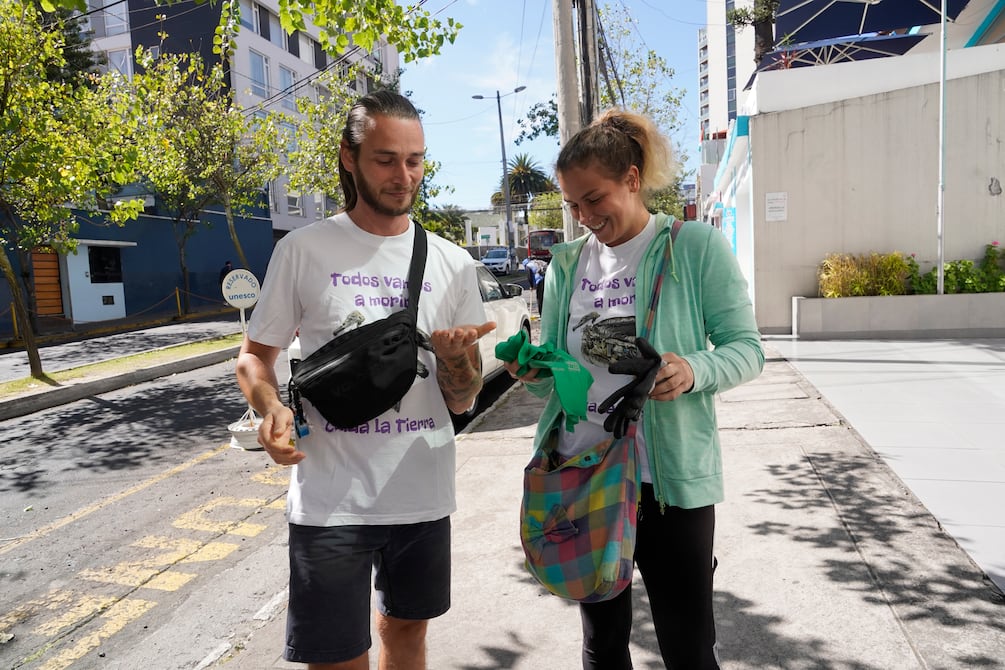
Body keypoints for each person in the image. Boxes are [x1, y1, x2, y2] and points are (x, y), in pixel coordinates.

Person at [236, 90, 494, 670]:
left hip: (421, 494)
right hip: (330, 501)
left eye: (415, 160)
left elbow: (465, 396)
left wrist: (457, 361)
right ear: (349, 158)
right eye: (385, 159)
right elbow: (253, 358)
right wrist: (268, 408)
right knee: (335, 659)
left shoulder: (451, 262)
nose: (403, 176)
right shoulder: (304, 249)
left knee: (406, 638)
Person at [502, 109, 764, 669]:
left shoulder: (693, 247)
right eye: (572, 204)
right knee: (601, 645)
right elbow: (556, 369)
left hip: (667, 485)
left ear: (633, 179)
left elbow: (748, 349)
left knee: (687, 646)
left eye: (594, 199)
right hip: (584, 471)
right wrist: (533, 371)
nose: (583, 216)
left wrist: (692, 371)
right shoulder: (566, 264)